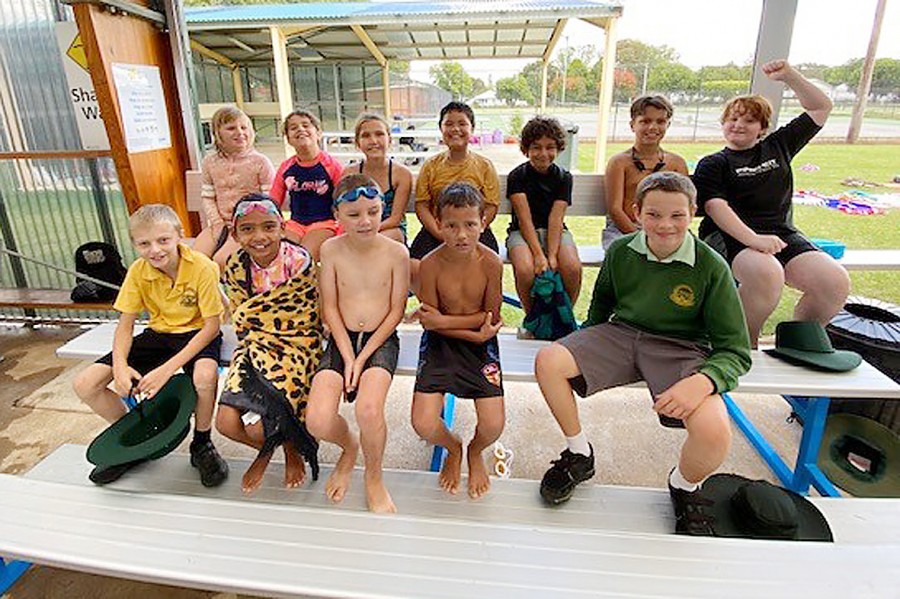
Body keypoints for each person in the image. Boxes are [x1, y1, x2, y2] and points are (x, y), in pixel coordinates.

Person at [534, 172, 751, 536]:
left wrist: (703, 382)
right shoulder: (621, 251)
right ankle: (579, 453)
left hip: (682, 348)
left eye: (676, 216)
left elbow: (735, 350)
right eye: (654, 214)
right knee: (548, 360)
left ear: (693, 213)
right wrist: (584, 346)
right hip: (623, 334)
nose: (665, 225)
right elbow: (602, 306)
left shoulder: (711, 266)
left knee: (714, 433)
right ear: (636, 213)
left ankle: (684, 484)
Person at [693, 59, 850, 346]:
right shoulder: (714, 163)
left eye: (749, 120)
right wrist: (754, 239)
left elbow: (821, 107)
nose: (738, 124)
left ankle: (796, 344)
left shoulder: (779, 145)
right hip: (729, 236)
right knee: (767, 274)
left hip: (781, 233)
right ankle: (740, 345)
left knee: (833, 281)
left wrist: (790, 76)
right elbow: (716, 208)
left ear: (763, 127)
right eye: (733, 118)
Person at [73, 204, 229, 487]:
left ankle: (202, 443)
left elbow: (211, 327)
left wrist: (166, 371)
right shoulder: (138, 271)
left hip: (197, 333)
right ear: (134, 244)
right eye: (144, 243)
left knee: (204, 378)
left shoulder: (203, 267)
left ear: (180, 236)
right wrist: (120, 368)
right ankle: (139, 436)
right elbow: (126, 324)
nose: (155, 250)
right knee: (85, 384)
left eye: (163, 240)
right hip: (159, 333)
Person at [305, 173, 409, 513]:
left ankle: (374, 476)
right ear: (337, 215)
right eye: (354, 215)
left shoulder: (397, 253)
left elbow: (395, 312)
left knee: (368, 409)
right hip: (341, 337)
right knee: (317, 419)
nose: (365, 221)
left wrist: (362, 358)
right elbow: (330, 308)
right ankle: (349, 448)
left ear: (382, 210)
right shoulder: (330, 249)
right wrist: (348, 357)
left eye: (374, 212)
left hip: (380, 339)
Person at [215, 194, 323, 494]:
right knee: (225, 423)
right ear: (235, 233)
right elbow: (242, 318)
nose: (259, 237)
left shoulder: (298, 261)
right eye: (247, 229)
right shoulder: (236, 266)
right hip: (255, 344)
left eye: (268, 226)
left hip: (299, 344)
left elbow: (307, 311)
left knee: (257, 426)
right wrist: (258, 335)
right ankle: (277, 446)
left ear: (282, 227)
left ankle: (290, 447)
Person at [411, 182, 504, 500]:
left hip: (480, 344)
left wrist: (450, 323)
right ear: (438, 224)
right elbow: (430, 322)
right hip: (441, 343)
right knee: (423, 423)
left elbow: (489, 318)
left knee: (493, 426)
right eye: (451, 226)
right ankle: (453, 448)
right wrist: (469, 330)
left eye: (469, 225)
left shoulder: (491, 262)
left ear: (483, 223)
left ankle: (474, 452)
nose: (461, 235)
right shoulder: (431, 264)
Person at [409, 101, 500, 290]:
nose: (455, 129)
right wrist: (442, 232)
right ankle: (435, 307)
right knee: (414, 266)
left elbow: (491, 205)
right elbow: (422, 205)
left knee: (488, 266)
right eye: (449, 124)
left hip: (474, 231)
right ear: (441, 129)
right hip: (437, 230)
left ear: (472, 129)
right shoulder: (431, 165)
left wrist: (470, 232)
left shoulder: (484, 166)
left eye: (462, 123)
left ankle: (471, 311)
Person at [506, 115, 582, 312]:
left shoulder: (564, 178)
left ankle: (565, 314)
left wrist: (553, 255)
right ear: (526, 149)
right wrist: (540, 255)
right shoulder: (517, 176)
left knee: (572, 267)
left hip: (555, 232)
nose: (543, 153)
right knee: (525, 269)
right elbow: (524, 219)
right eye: (536, 147)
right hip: (522, 232)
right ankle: (533, 317)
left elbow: (556, 218)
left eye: (550, 147)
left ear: (558, 148)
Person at [193, 107, 275, 271]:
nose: (239, 132)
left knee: (221, 261)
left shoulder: (260, 162)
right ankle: (209, 296)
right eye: (231, 128)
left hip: (248, 225)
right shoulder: (210, 162)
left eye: (243, 127)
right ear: (218, 133)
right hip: (220, 223)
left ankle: (233, 296)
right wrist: (217, 223)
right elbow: (208, 197)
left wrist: (244, 225)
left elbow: (269, 201)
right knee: (194, 261)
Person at [603, 95, 688, 250]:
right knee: (626, 257)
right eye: (645, 121)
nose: (653, 127)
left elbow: (684, 206)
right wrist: (643, 238)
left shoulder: (676, 163)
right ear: (632, 125)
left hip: (667, 229)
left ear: (668, 124)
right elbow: (615, 209)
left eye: (660, 121)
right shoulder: (619, 163)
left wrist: (664, 233)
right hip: (624, 230)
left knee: (692, 255)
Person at [269, 109, 344, 260]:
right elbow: (272, 202)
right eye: (293, 127)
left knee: (303, 257)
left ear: (318, 133)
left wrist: (342, 232)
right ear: (288, 139)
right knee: (280, 254)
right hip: (296, 224)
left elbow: (344, 200)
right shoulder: (286, 167)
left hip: (325, 223)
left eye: (306, 125)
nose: (300, 129)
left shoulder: (332, 166)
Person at [353, 113, 414, 244]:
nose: (373, 141)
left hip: (391, 229)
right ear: (357, 142)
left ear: (389, 139)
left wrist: (369, 231)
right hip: (358, 228)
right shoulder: (350, 174)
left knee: (374, 242)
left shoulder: (401, 174)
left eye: (379, 134)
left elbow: (395, 218)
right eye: (366, 135)